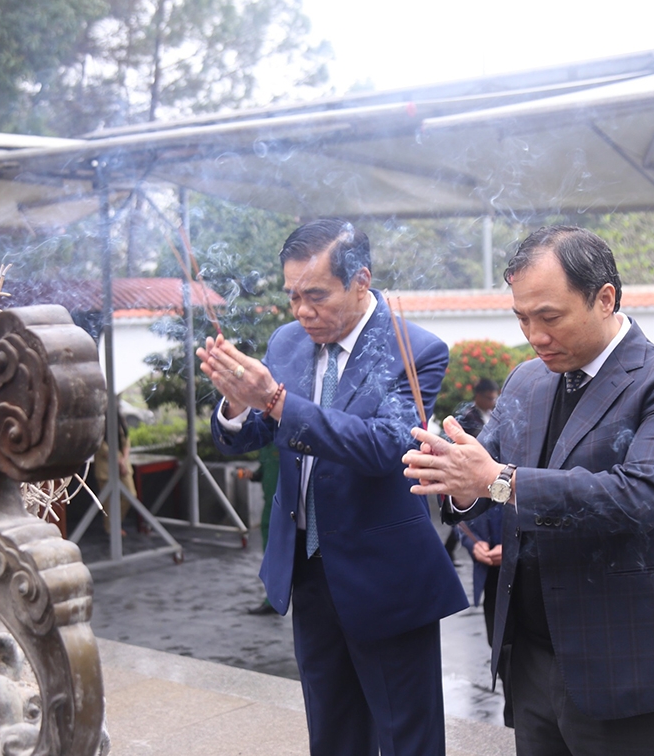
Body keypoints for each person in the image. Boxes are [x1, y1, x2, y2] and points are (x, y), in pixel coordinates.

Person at [402, 225, 654, 755]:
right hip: (529, 655)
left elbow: (636, 498)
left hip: (625, 662)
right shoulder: (527, 380)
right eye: (522, 318)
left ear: (604, 298)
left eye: (549, 316)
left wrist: (496, 480)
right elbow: (486, 483)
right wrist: (458, 477)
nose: (535, 335)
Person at [197, 219, 467, 756]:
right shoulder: (288, 342)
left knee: (406, 734)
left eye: (316, 295)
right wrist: (234, 401)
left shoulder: (413, 349)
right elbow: (251, 431)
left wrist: (272, 398)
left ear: (360, 280)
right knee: (331, 726)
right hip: (307, 564)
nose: (301, 311)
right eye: (292, 295)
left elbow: (382, 448)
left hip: (384, 572)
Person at [456, 504, 514, 728]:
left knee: (519, 664)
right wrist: (472, 543)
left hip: (526, 575)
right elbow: (457, 516)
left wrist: (513, 548)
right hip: (491, 577)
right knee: (500, 654)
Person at [444, 378, 500, 561]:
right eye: (489, 398)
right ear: (478, 396)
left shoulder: (495, 414)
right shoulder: (469, 416)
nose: (493, 402)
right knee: (465, 515)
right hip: (472, 474)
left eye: (495, 398)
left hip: (493, 474)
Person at [240, 443, 281, 615]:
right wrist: (253, 475)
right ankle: (272, 599)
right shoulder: (267, 443)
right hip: (270, 507)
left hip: (287, 508)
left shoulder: (288, 439)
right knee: (271, 555)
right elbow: (264, 471)